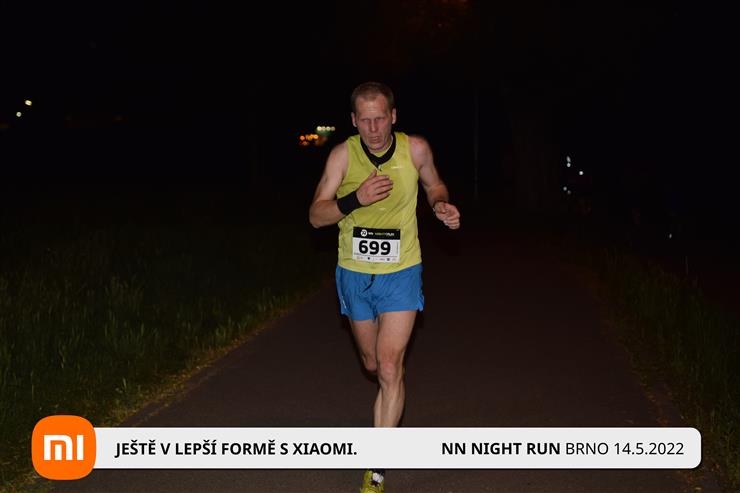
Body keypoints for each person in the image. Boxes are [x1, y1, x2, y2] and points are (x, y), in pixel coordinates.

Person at [308, 81, 460, 493]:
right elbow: (316, 217)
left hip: (402, 271)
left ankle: (376, 469)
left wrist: (440, 204)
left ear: (393, 116)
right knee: (372, 364)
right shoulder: (343, 156)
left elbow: (434, 184)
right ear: (353, 121)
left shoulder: (416, 150)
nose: (373, 129)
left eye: (380, 119)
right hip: (355, 273)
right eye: (365, 121)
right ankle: (387, 393)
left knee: (390, 367)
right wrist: (354, 199)